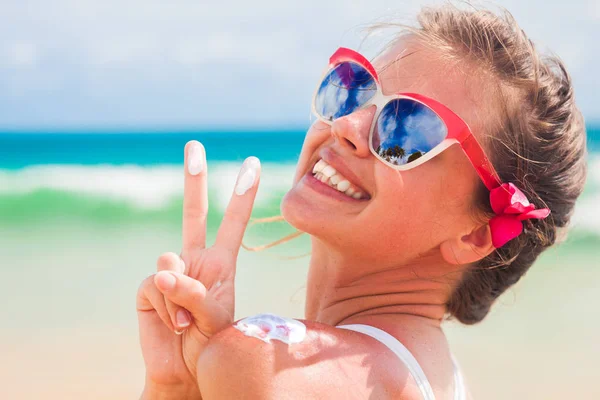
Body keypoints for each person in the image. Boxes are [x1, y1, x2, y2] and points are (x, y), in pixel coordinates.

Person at [136, 4, 587, 399]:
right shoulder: (437, 376)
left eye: (406, 127)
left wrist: (223, 365)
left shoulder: (267, 364)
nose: (348, 126)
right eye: (354, 89)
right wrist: (180, 385)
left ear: (475, 233)